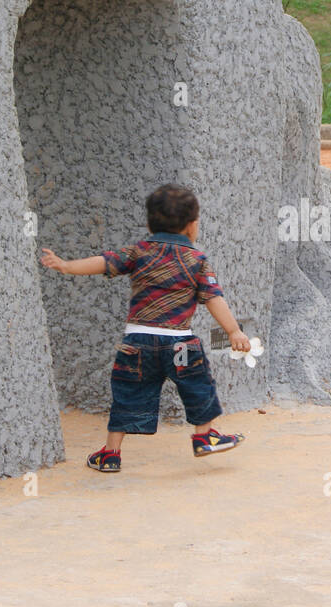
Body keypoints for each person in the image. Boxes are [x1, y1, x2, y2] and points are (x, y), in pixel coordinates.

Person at [40, 183, 251, 473]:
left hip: (137, 343)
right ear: (192, 226)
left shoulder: (138, 252)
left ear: (150, 224)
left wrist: (66, 265)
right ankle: (205, 436)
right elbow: (214, 298)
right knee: (198, 387)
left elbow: (103, 263)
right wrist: (233, 331)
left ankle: (111, 454)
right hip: (180, 344)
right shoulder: (196, 260)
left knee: (127, 394)